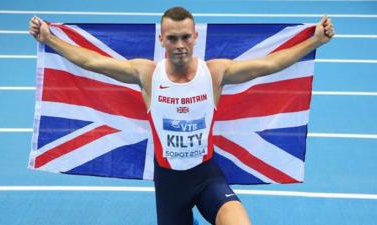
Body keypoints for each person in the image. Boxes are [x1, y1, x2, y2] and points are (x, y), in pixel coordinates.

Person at [29, 6, 334, 225]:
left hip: (206, 177)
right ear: (161, 39)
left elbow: (270, 65)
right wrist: (49, 39)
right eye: (172, 39)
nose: (179, 45)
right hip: (169, 185)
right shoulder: (147, 74)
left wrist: (315, 41)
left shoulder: (214, 73)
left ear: (195, 37)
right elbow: (92, 61)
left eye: (185, 37)